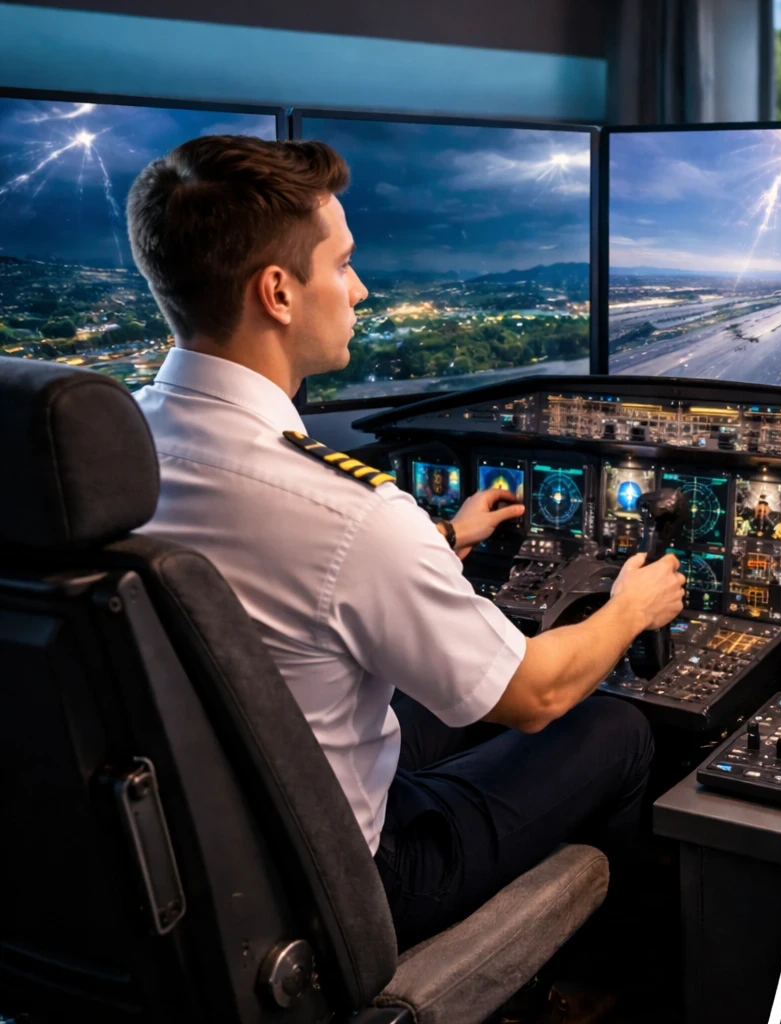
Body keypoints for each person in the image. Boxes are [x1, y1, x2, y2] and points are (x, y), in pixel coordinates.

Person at [125, 135, 685, 949]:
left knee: (431, 704)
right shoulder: (348, 513)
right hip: (342, 888)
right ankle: (614, 979)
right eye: (344, 263)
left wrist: (437, 542)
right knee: (614, 727)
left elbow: (279, 591)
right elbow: (534, 695)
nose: (361, 287)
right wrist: (631, 609)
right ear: (278, 293)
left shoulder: (112, 453)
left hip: (188, 851)